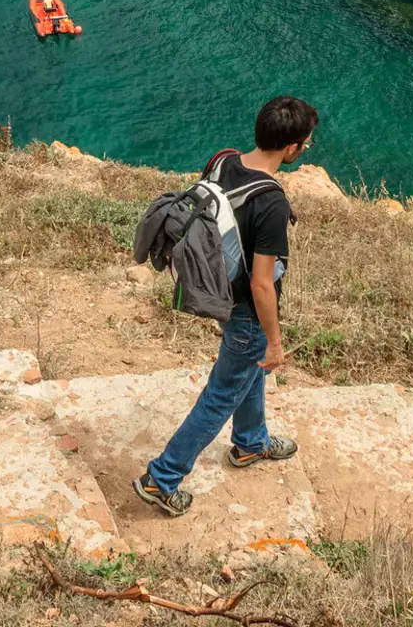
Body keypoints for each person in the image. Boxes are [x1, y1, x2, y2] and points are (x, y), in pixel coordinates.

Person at [134, 96, 316, 517]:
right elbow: (262, 283)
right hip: (248, 311)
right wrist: (274, 340)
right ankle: (162, 479)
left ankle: (250, 444)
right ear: (290, 148)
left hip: (219, 291)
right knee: (221, 395)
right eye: (306, 143)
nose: (305, 149)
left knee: (244, 372)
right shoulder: (271, 202)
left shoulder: (223, 160)